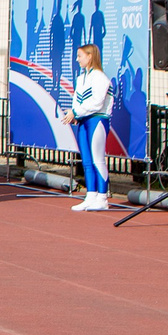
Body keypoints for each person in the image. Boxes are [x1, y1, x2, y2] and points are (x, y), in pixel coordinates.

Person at [61, 42, 114, 212]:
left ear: (90, 56)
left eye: (80, 56)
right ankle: (91, 195)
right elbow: (77, 99)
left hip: (97, 120)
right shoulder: (81, 78)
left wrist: (76, 111)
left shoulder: (100, 77)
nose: (77, 60)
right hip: (84, 120)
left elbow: (97, 103)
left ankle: (102, 197)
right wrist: (75, 114)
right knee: (87, 160)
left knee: (98, 158)